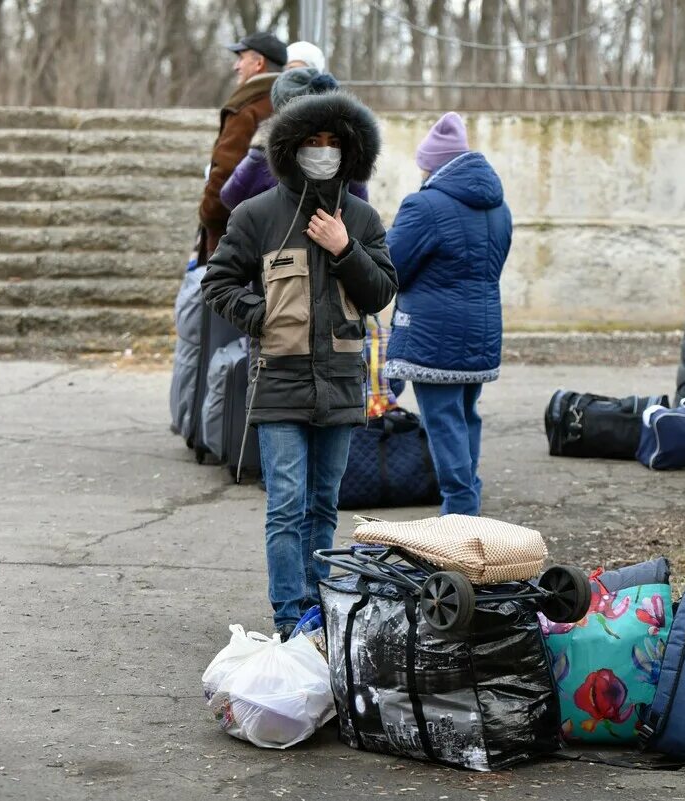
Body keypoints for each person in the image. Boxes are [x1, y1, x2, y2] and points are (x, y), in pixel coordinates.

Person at [201, 91, 396, 639]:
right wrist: (262, 316)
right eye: (313, 142)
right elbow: (218, 282)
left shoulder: (359, 217)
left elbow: (381, 291)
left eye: (334, 143)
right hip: (280, 380)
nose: (324, 151)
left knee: (324, 504)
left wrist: (344, 248)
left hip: (338, 382)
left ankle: (322, 610)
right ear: (291, 148)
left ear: (352, 151)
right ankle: (290, 619)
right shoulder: (257, 214)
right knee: (285, 504)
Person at [384, 112, 512, 516]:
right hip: (482, 326)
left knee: (442, 419)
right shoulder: (499, 207)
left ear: (433, 162)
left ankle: (459, 506)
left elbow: (391, 267)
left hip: (433, 333)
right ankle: (467, 493)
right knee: (465, 413)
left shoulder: (424, 205)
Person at [220, 69, 369, 210]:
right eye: (313, 142)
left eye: (333, 142)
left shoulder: (262, 154)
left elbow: (232, 196)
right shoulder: (349, 155)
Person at [197, 31, 287, 259]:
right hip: (278, 233)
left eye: (241, 58)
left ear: (259, 63)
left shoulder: (246, 108)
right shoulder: (291, 104)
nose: (236, 66)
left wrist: (208, 215)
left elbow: (225, 171)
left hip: (234, 235)